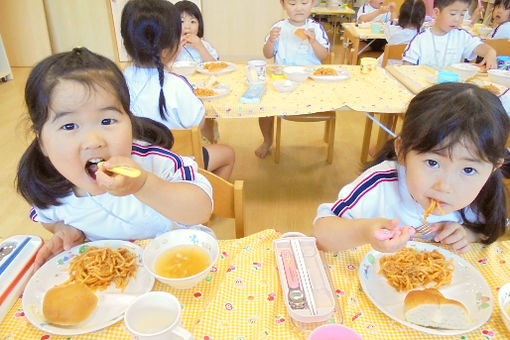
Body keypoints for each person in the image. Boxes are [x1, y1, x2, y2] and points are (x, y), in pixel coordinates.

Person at [16, 47, 213, 268]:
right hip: (118, 282)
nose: (94, 141)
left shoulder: (154, 162)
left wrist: (144, 184)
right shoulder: (46, 185)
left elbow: (201, 209)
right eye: (69, 126)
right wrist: (65, 230)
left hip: (182, 264)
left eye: (107, 121)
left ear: (129, 120)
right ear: (41, 140)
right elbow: (49, 220)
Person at [313, 83, 509, 254]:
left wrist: (466, 234)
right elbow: (322, 234)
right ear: (401, 151)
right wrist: (365, 231)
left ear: (494, 167)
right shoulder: (379, 184)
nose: (445, 187)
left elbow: (488, 229)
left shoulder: (483, 192)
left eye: (468, 170)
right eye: (432, 163)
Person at [121, 0, 235, 179]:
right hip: (174, 163)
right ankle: (202, 197)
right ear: (168, 49)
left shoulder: (121, 79)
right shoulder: (176, 85)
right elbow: (197, 124)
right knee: (227, 153)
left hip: (135, 162)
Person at [258, 0, 330, 158]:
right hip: (282, 78)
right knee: (264, 104)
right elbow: (267, 54)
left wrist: (313, 41)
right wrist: (271, 41)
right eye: (292, 4)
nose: (298, 8)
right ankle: (267, 141)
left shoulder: (316, 28)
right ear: (283, 5)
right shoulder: (279, 27)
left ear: (312, 4)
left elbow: (324, 55)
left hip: (310, 78)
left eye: (304, 2)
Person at [402, 0, 497, 70]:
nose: (457, 19)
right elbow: (406, 67)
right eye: (453, 14)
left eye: (462, 14)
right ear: (436, 13)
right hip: (425, 90)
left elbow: (479, 47)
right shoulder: (421, 39)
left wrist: (490, 52)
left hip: (450, 90)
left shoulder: (461, 36)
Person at [378, 0, 426, 65]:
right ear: (422, 19)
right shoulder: (421, 37)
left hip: (386, 69)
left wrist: (393, 12)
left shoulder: (392, 31)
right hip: (407, 72)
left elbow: (391, 23)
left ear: (400, 16)